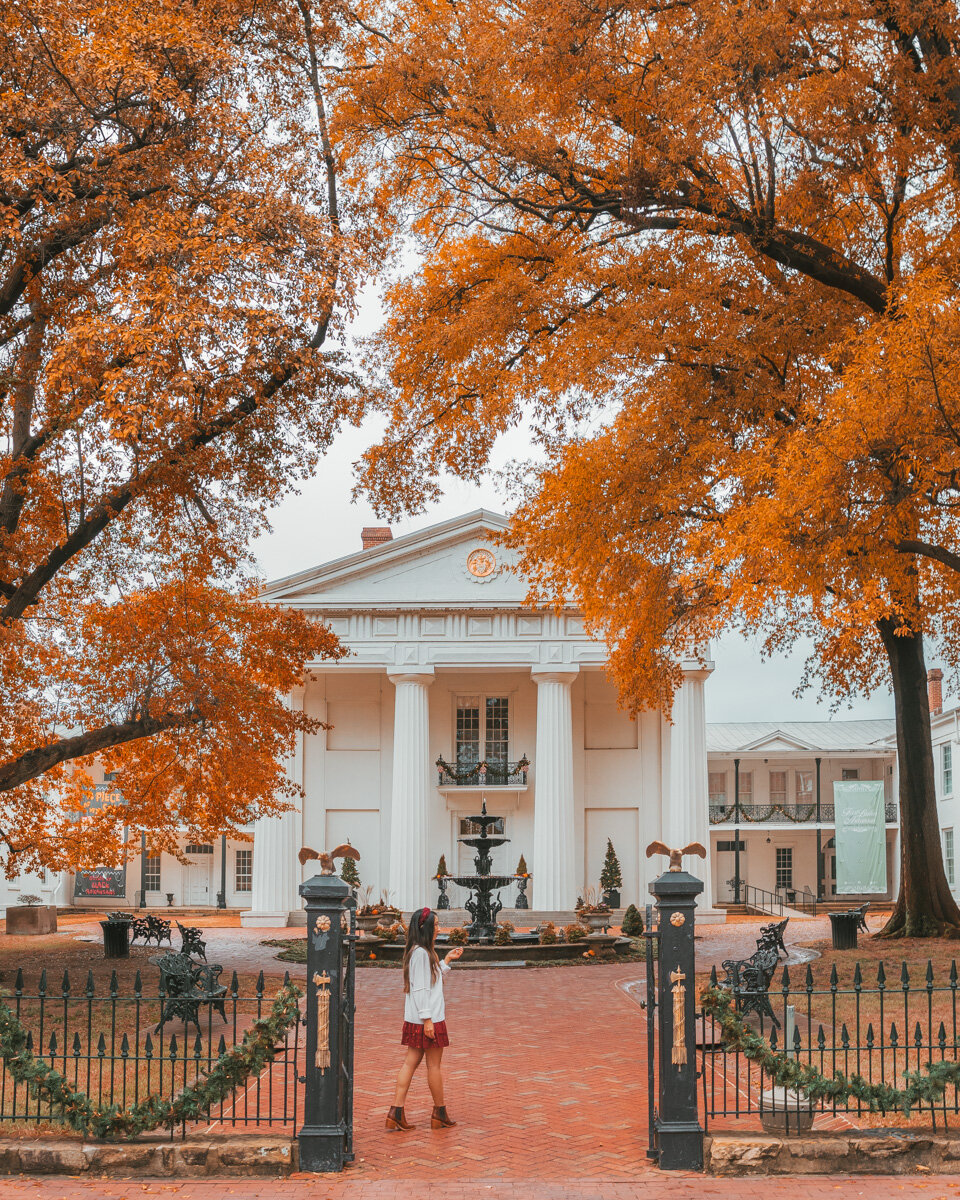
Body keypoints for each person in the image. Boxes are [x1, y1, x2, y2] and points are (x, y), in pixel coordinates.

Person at [385, 907, 464, 1131]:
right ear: (425, 927)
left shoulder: (419, 951)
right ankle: (439, 1113)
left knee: (411, 1063)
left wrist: (447, 960)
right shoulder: (420, 953)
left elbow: (430, 980)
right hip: (428, 1018)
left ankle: (396, 1112)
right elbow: (420, 989)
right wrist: (428, 1019)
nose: (439, 929)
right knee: (434, 1066)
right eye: (436, 925)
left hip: (418, 1017)